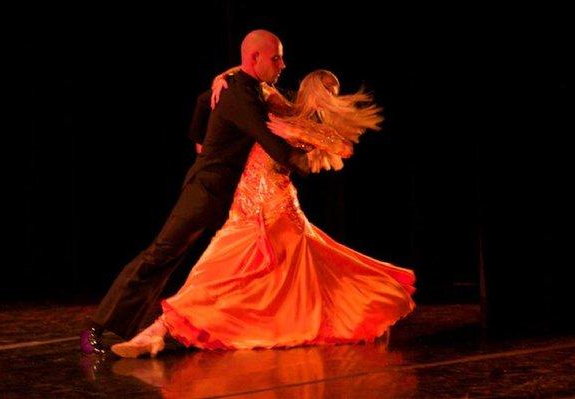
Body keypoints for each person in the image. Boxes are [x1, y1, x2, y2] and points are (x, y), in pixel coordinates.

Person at [110, 69, 416, 357]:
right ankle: (154, 333)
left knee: (232, 279)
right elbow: (250, 78)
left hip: (275, 211)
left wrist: (296, 130)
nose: (331, 98)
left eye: (334, 93)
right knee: (216, 276)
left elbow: (344, 148)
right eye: (328, 90)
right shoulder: (277, 102)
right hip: (246, 208)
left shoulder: (303, 122)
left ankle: (155, 332)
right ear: (313, 89)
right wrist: (224, 76)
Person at [80, 29, 310, 355]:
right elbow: (275, 146)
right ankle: (96, 328)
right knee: (160, 254)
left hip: (229, 195)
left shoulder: (242, 87)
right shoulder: (241, 96)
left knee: (217, 265)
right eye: (276, 57)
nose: (282, 64)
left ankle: (157, 328)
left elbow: (205, 100)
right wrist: (315, 156)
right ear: (254, 58)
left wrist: (199, 138)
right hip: (205, 192)